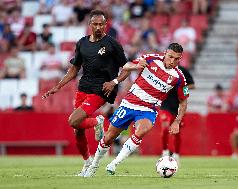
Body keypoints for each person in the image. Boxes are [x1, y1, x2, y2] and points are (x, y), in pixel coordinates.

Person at [42, 10, 130, 177]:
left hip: (101, 89)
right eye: (95, 24)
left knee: (73, 121)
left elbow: (126, 69)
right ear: (90, 25)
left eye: (101, 24)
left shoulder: (113, 44)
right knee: (78, 131)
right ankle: (87, 163)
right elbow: (74, 69)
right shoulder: (82, 43)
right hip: (83, 88)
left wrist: (114, 82)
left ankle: (98, 121)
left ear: (105, 25)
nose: (98, 27)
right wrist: (58, 86)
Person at [84, 43, 190, 177]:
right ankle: (94, 165)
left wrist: (177, 121)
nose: (172, 61)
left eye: (177, 59)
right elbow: (127, 66)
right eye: (170, 57)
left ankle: (114, 163)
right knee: (109, 137)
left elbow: (184, 100)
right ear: (165, 53)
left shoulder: (179, 77)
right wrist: (134, 67)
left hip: (148, 109)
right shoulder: (151, 59)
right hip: (129, 104)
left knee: (142, 130)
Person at [159, 65, 195, 163]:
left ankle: (176, 154)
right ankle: (165, 152)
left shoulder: (183, 70)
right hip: (165, 105)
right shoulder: (162, 69)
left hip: (178, 106)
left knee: (176, 132)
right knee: (165, 126)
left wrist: (182, 89)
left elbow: (192, 85)